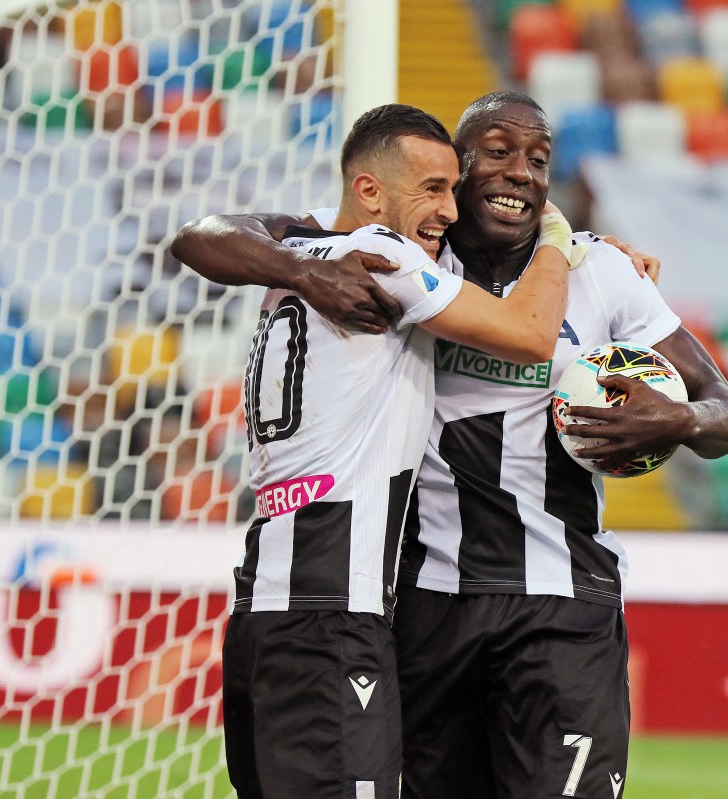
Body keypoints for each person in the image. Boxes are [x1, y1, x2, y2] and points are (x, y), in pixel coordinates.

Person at [177, 92, 728, 798]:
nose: (520, 172)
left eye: (538, 160)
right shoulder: (408, 250)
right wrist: (297, 268)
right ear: (460, 169)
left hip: (564, 601)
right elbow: (209, 235)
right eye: (497, 152)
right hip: (427, 607)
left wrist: (682, 421)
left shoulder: (601, 271)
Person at [170, 103, 578, 799]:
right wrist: (562, 238)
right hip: (333, 608)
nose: (450, 210)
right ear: (369, 191)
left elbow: (199, 235)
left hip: (264, 606)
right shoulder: (386, 255)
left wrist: (299, 272)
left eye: (453, 190)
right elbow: (533, 333)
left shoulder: (303, 250)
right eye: (433, 189)